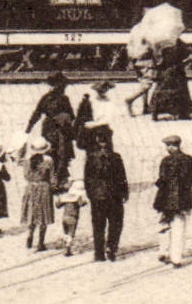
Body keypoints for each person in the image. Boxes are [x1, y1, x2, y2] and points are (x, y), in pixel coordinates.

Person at [152, 134, 192, 268]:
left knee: (164, 225)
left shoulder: (165, 161)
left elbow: (161, 180)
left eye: (168, 146)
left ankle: (163, 251)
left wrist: (160, 184)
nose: (168, 148)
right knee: (179, 228)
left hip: (165, 199)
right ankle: (176, 258)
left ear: (174, 146)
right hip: (182, 200)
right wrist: (185, 184)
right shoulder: (189, 160)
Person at [83, 126, 127, 261]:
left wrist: (91, 194)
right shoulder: (116, 157)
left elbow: (87, 179)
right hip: (114, 195)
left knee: (98, 224)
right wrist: (124, 192)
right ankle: (111, 248)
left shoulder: (91, 157)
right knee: (116, 223)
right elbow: (122, 177)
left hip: (97, 196)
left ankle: (99, 253)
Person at [26, 72, 77, 184]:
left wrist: (29, 127)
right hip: (59, 131)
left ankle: (52, 177)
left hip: (51, 130)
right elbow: (72, 116)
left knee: (52, 153)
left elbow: (37, 113)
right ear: (59, 85)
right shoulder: (63, 99)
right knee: (61, 154)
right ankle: (58, 178)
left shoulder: (46, 98)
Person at [149, 39, 192, 121]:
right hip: (175, 72)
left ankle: (155, 112)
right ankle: (182, 112)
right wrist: (190, 58)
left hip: (163, 72)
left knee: (160, 91)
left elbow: (156, 61)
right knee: (180, 91)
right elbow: (182, 57)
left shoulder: (157, 44)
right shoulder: (175, 43)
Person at [21, 137, 55, 251]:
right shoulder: (48, 160)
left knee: (32, 213)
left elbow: (25, 176)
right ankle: (41, 243)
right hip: (44, 188)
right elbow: (52, 177)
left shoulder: (27, 160)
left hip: (31, 188)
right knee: (43, 216)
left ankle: (30, 235)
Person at [55, 181, 87, 256]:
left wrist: (58, 199)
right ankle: (68, 249)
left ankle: (66, 245)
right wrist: (85, 202)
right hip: (73, 218)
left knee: (66, 233)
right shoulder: (78, 197)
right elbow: (81, 204)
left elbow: (58, 205)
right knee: (71, 234)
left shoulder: (65, 196)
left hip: (64, 217)